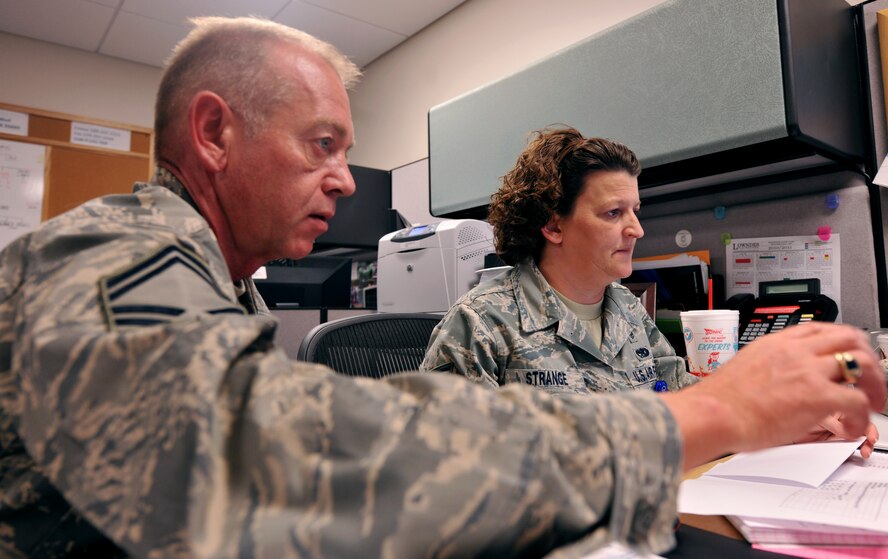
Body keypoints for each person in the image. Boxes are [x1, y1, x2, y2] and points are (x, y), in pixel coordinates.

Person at [0, 16, 884, 559]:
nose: (349, 181)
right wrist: (711, 414)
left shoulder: (233, 294)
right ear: (214, 131)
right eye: (322, 145)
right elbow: (254, 458)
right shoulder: (113, 248)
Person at [421, 128, 693, 395]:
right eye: (613, 213)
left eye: (634, 211)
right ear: (553, 227)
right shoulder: (479, 323)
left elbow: (685, 396)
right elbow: (447, 437)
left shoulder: (628, 309)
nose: (637, 230)